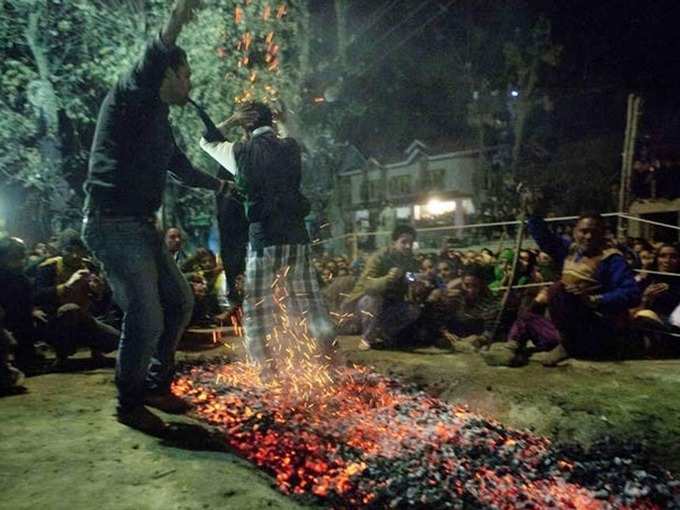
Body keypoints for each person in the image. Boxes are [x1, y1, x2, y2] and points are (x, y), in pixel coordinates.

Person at [81, 0, 226, 432]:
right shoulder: (131, 95)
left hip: (141, 227)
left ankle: (155, 383)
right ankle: (129, 401)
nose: (190, 84)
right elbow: (149, 61)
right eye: (186, 76)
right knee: (146, 313)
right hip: (111, 223)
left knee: (180, 302)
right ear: (167, 75)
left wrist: (223, 186)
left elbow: (178, 165)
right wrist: (175, 24)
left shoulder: (159, 117)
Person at [199, 101, 336, 379]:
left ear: (246, 125)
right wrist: (282, 119)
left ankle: (265, 371)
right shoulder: (290, 148)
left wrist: (231, 120)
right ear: (271, 123)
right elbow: (289, 137)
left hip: (264, 243)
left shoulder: (239, 152)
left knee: (258, 308)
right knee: (310, 302)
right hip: (297, 239)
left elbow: (205, 142)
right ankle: (329, 360)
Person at [526, 210, 641, 365]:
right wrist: (532, 212)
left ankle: (568, 346)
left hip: (598, 325)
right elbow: (545, 238)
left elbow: (632, 293)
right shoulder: (570, 251)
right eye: (584, 231)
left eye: (594, 232)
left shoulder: (612, 259)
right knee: (529, 313)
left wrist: (594, 299)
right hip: (569, 324)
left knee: (558, 288)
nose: (588, 237)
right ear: (575, 232)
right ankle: (513, 345)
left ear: (603, 234)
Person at [344, 225, 420, 350]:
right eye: (404, 242)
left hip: (390, 304)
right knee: (373, 299)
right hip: (362, 305)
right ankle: (367, 338)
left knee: (413, 310)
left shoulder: (410, 260)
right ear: (394, 242)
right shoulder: (379, 257)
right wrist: (387, 279)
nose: (408, 246)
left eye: (411, 243)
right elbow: (367, 285)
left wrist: (419, 281)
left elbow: (410, 278)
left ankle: (384, 334)